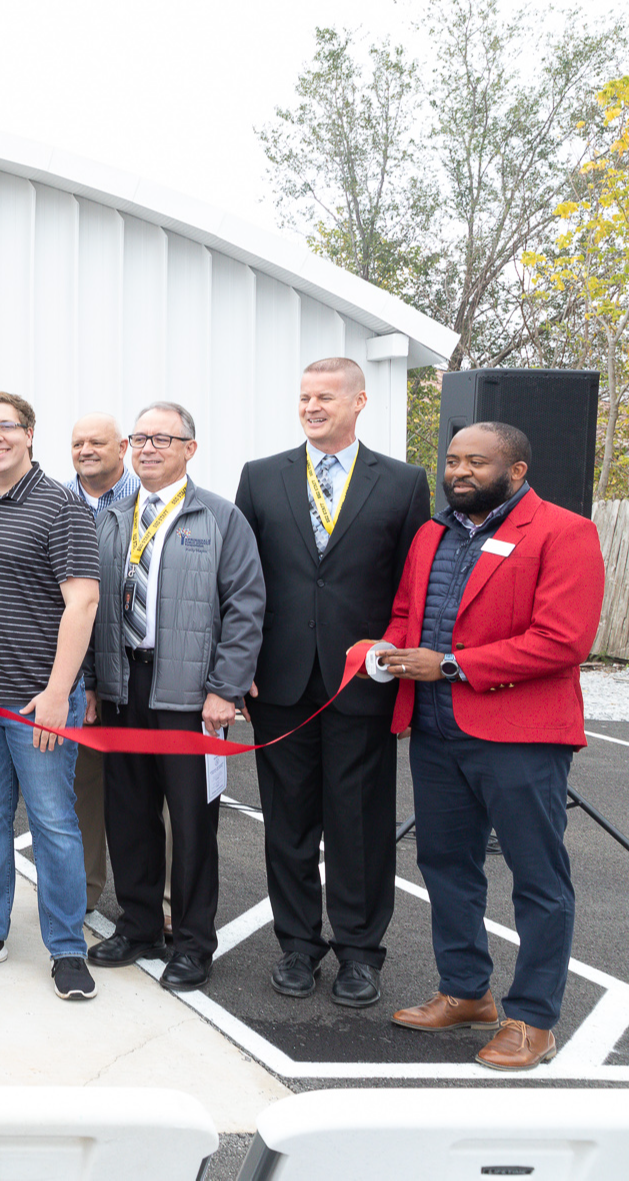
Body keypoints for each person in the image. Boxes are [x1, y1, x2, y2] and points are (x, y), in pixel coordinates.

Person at [381, 422, 600, 1071]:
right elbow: (405, 615)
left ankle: (533, 1017)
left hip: (521, 735)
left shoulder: (565, 532)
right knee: (446, 864)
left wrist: (448, 664)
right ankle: (465, 989)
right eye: (453, 460)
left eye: (478, 460)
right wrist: (382, 650)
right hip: (437, 729)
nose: (461, 471)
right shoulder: (431, 534)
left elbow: (563, 640)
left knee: (537, 879)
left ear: (518, 469)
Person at [234, 358, 430, 1008]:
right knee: (288, 823)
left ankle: (359, 953)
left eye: (325, 396)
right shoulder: (261, 478)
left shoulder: (403, 483)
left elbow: (413, 588)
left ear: (359, 401)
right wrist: (238, 670)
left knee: (360, 823)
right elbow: (241, 582)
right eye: (304, 396)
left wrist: (396, 662)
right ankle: (296, 945)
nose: (312, 406)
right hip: (279, 681)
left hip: (360, 685)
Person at [85, 402, 264, 992]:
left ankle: (191, 942)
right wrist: (91, 683)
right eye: (140, 438)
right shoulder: (113, 517)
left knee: (192, 823)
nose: (148, 448)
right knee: (128, 815)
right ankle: (138, 924)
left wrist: (225, 688)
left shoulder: (219, 517)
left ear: (190, 447)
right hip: (121, 685)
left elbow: (246, 605)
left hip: (190, 695)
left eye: (163, 439)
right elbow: (90, 607)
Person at [0, 392, 102, 998]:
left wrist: (60, 691)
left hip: (36, 700)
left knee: (54, 821)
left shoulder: (61, 508)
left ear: (30, 434)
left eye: (6, 426)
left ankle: (66, 947)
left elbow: (82, 601)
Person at [66, 412, 140, 915]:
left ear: (123, 446)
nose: (86, 450)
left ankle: (160, 904)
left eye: (97, 442)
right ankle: (83, 894)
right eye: (77, 443)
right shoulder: (57, 503)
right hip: (76, 675)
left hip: (146, 672)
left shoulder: (152, 502)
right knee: (82, 793)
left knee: (151, 797)